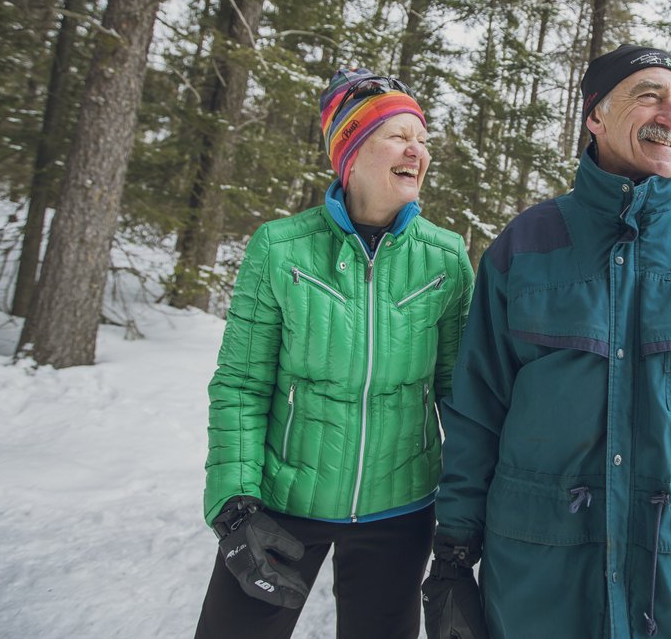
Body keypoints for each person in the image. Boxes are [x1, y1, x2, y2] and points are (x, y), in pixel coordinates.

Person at [422, 44, 671, 639]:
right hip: (539, 580)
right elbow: (477, 414)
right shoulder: (524, 248)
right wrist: (451, 556)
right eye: (649, 95)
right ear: (595, 117)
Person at [194, 68, 475, 639]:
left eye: (422, 140)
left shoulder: (446, 259)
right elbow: (241, 385)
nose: (416, 151)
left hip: (400, 513)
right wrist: (236, 507)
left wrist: (460, 533)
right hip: (282, 506)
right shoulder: (281, 248)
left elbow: (460, 398)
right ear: (350, 151)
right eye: (399, 135)